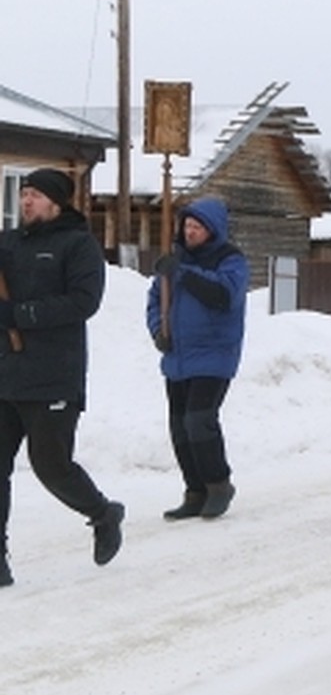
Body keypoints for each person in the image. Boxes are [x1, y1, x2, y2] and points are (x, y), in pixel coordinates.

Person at [0, 168, 124, 586]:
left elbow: (83, 302)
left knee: (51, 466)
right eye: (23, 195)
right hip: (6, 373)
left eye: (34, 195)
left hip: (54, 376)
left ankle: (102, 513)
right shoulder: (9, 243)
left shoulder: (78, 245)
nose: (26, 202)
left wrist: (19, 315)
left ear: (56, 201)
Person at [146, 197, 249, 520]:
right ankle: (195, 491)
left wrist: (184, 272)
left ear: (212, 230)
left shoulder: (230, 260)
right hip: (178, 355)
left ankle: (219, 484)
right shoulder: (174, 260)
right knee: (179, 426)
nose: (189, 232)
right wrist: (157, 331)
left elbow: (223, 296)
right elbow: (154, 300)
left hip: (215, 353)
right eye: (186, 226)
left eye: (196, 227)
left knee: (198, 420)